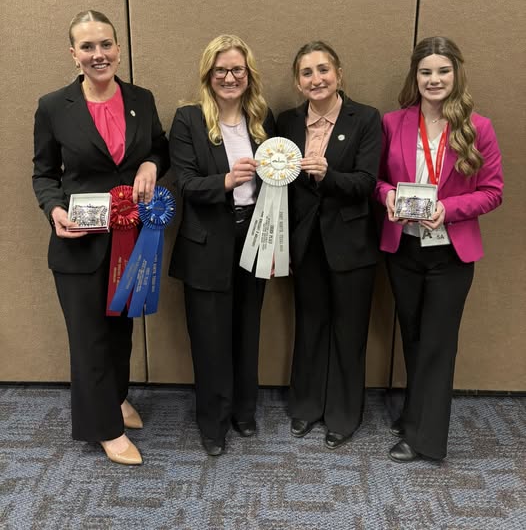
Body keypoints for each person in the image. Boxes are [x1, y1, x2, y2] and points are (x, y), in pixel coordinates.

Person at [32, 10, 169, 465]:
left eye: (105, 44)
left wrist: (151, 164)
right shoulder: (54, 106)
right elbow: (44, 173)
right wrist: (53, 209)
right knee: (89, 336)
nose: (98, 54)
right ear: (73, 54)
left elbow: (158, 147)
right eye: (87, 47)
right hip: (78, 244)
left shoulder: (141, 99)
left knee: (120, 327)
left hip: (128, 238)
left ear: (117, 47)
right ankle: (104, 429)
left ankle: (116, 396)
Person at [375, 36, 503, 462]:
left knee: (437, 342)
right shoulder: (393, 122)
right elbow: (375, 180)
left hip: (451, 255)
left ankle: (425, 440)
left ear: (456, 74)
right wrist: (387, 195)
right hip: (404, 250)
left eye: (443, 71)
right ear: (416, 76)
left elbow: (492, 192)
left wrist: (448, 209)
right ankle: (416, 414)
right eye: (426, 71)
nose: (434, 79)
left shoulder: (477, 127)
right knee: (413, 338)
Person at [168, 34, 275, 456]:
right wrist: (227, 180)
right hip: (206, 241)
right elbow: (188, 183)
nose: (230, 77)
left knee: (248, 328)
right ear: (208, 75)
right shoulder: (188, 120)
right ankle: (212, 423)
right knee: (210, 337)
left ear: (249, 76)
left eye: (237, 70)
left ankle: (243, 411)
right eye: (221, 70)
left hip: (257, 234)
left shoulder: (265, 122)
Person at [277, 41, 381, 449]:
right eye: (307, 73)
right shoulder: (287, 121)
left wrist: (328, 174)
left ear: (338, 73)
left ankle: (343, 413)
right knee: (310, 324)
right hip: (304, 242)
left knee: (348, 329)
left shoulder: (365, 118)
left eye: (323, 70)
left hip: (351, 243)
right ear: (297, 81)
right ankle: (305, 406)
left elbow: (367, 182)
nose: (316, 79)